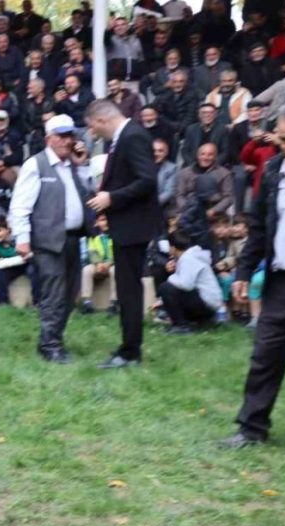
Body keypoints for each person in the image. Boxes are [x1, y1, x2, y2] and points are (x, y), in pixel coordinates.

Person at [222, 98, 285, 462]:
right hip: (280, 283)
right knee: (265, 358)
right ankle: (251, 428)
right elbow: (258, 227)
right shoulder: (274, 171)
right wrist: (244, 272)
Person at [84, 99, 163, 369]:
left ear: (102, 120)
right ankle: (129, 348)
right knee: (128, 289)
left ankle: (129, 353)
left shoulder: (133, 136)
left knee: (129, 291)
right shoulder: (125, 137)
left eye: (92, 126)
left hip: (133, 226)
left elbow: (147, 180)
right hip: (127, 225)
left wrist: (111, 198)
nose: (93, 132)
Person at [156, 229, 222, 334]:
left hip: (207, 305)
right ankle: (198, 322)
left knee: (165, 288)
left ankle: (181, 326)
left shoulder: (188, 259)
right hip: (208, 304)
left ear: (173, 248)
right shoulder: (190, 256)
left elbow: (186, 285)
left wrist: (171, 278)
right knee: (170, 289)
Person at [0, 216, 38, 306]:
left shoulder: (18, 238)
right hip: (10, 266)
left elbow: (31, 253)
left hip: (26, 263)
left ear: (8, 229)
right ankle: (3, 302)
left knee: (33, 271)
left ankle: (37, 302)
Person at [80, 214, 118, 314]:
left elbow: (117, 253)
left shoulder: (116, 235)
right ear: (97, 223)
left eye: (107, 219)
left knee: (115, 270)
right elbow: (92, 252)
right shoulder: (94, 237)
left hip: (111, 265)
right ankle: (87, 302)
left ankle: (114, 302)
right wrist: (98, 264)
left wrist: (108, 263)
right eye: (102, 220)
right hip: (98, 265)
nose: (105, 222)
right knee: (87, 270)